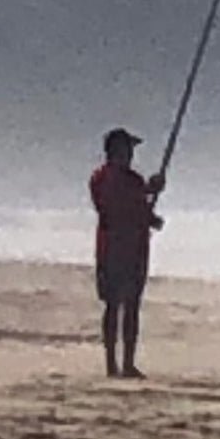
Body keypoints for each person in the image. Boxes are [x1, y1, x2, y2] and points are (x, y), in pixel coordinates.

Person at [89, 128, 165, 378]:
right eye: (127, 149)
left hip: (131, 249)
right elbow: (118, 207)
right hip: (116, 249)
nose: (131, 154)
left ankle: (126, 363)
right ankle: (113, 364)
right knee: (114, 305)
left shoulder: (128, 180)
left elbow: (135, 207)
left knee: (130, 305)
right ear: (116, 151)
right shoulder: (104, 178)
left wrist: (150, 200)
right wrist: (148, 199)